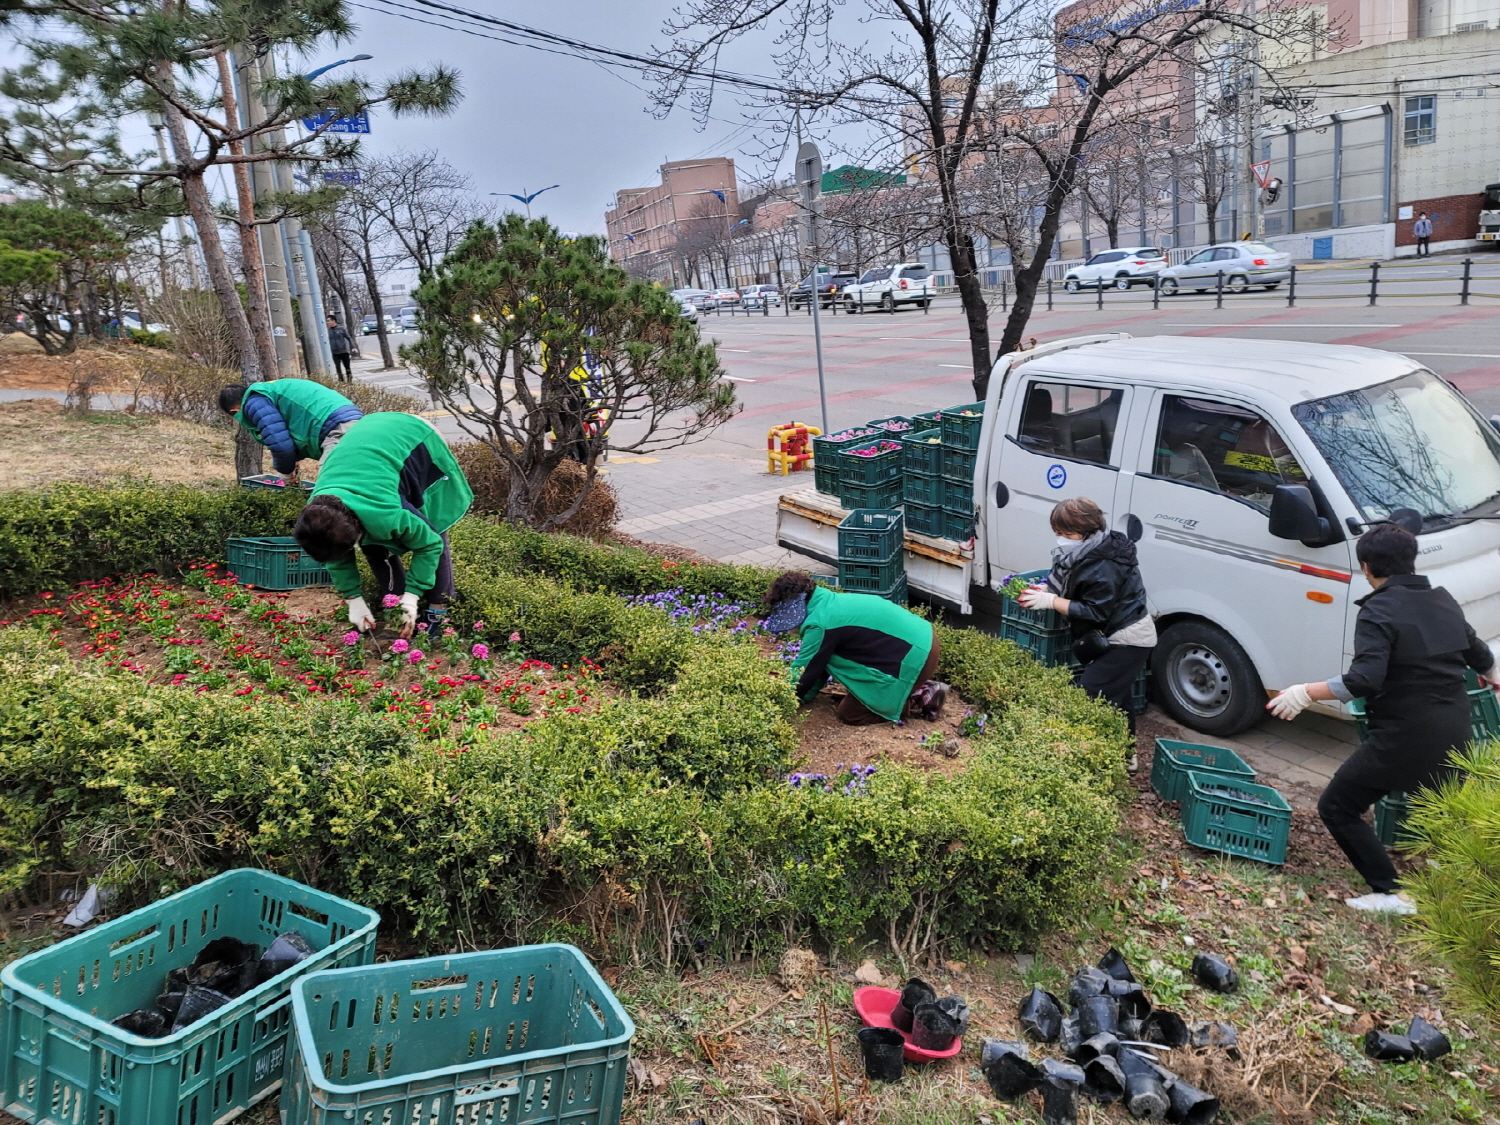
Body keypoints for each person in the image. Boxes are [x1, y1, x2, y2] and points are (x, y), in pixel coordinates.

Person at [1267, 522, 1495, 914]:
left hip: (1405, 735)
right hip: (1456, 728)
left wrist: (1305, 692)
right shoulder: (1442, 600)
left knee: (1338, 806)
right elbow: (1481, 656)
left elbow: (1364, 679)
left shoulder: (1378, 610)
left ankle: (1391, 893)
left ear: (1367, 567)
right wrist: (1493, 677)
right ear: (1411, 561)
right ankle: (1461, 889)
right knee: (1443, 813)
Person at [294, 412, 473, 637]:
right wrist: (353, 599)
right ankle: (398, 608)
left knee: (433, 528)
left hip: (415, 437)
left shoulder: (387, 512)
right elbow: (335, 554)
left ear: (355, 521)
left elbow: (429, 544)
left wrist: (413, 594)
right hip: (369, 441)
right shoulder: (316, 511)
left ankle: (437, 612)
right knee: (373, 544)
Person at [1018, 497, 1156, 768]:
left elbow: (1095, 611)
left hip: (1129, 638)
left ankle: (1093, 762)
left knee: (1090, 694)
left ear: (1086, 531)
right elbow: (1078, 586)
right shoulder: (1092, 550)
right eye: (1058, 532)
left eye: (1067, 534)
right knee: (1118, 698)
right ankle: (1126, 756)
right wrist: (1047, 590)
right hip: (1115, 633)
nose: (1061, 539)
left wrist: (1051, 601)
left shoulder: (1106, 562)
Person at [764, 571, 949, 725]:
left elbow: (805, 672)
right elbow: (820, 665)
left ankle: (922, 695)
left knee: (851, 713)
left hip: (918, 658)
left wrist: (779, 702)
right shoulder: (826, 602)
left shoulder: (819, 624)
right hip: (925, 638)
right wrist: (803, 697)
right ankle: (914, 687)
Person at [218, 379, 362, 482]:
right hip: (352, 423)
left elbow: (281, 445)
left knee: (331, 488)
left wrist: (285, 475)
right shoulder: (268, 391)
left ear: (234, 411)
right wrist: (294, 460)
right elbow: (294, 426)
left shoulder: (254, 403)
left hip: (338, 428)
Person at [327, 316, 353, 382]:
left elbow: (348, 338)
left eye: (329, 321)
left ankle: (349, 380)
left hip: (344, 352)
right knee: (337, 367)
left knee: (347, 367)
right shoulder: (328, 331)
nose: (328, 322)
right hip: (335, 353)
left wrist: (352, 347)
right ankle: (341, 381)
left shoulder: (341, 329)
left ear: (333, 321)